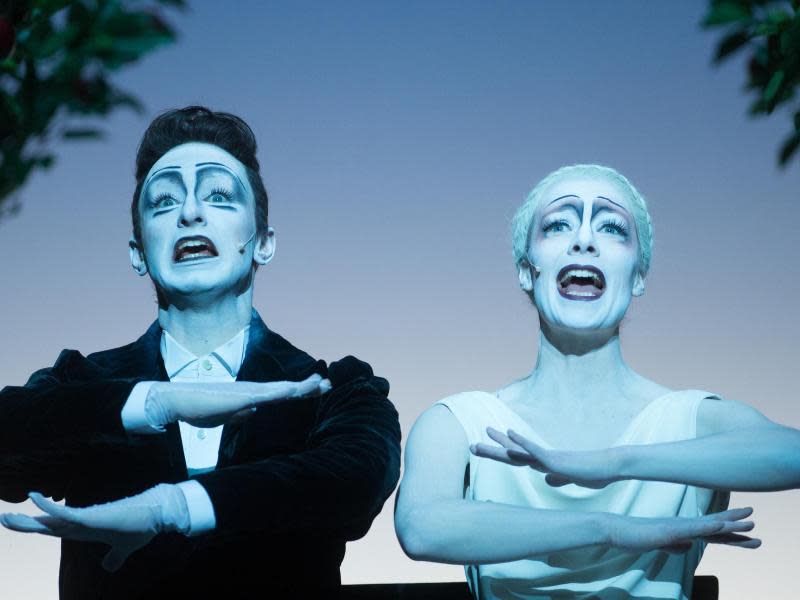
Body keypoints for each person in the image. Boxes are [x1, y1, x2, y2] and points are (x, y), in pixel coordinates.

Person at [0, 106, 401, 599]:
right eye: (164, 201)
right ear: (138, 253)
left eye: (219, 195)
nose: (190, 212)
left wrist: (174, 506)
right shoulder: (81, 380)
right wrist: (151, 403)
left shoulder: (334, 389)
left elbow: (357, 479)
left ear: (264, 244)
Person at [395, 164, 800, 599]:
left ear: (639, 275)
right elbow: (422, 528)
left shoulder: (689, 418)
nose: (583, 240)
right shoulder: (461, 423)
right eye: (558, 225)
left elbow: (791, 454)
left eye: (610, 227)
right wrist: (607, 529)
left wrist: (615, 463)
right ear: (526, 271)